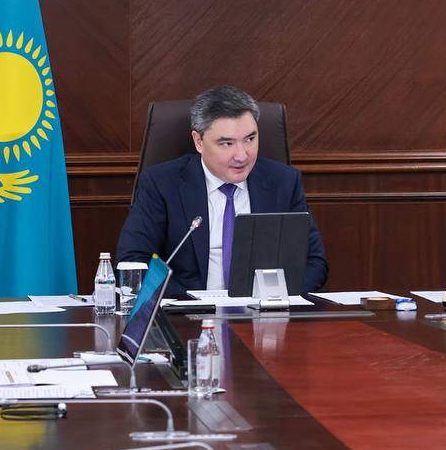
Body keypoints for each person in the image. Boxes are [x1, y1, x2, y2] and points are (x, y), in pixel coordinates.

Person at [117, 86, 328, 296]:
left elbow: (314, 263)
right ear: (198, 142)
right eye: (227, 143)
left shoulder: (283, 182)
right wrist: (195, 302)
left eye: (250, 139)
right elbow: (133, 264)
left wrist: (271, 296)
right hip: (189, 310)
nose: (242, 156)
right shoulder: (161, 184)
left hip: (262, 311)